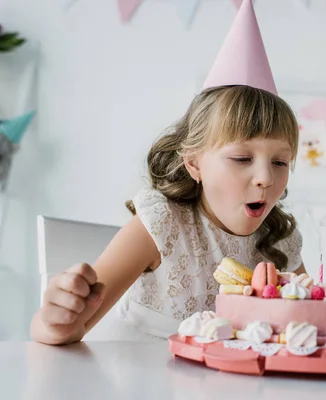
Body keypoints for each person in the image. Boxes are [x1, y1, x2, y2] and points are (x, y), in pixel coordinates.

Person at [29, 0, 307, 345]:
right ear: (194, 164)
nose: (266, 178)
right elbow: (72, 327)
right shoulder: (163, 226)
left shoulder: (279, 242)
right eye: (241, 158)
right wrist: (56, 320)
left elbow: (309, 330)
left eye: (280, 162)